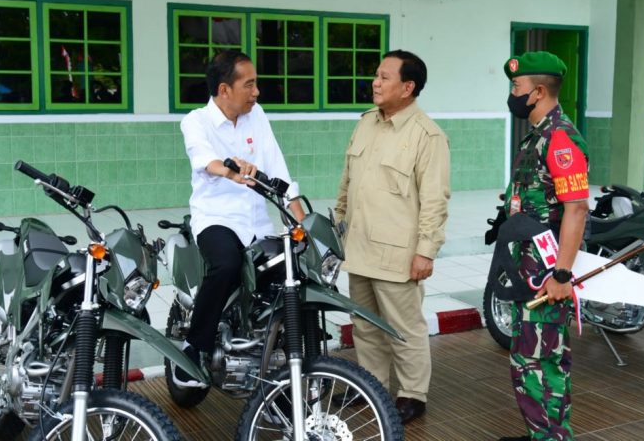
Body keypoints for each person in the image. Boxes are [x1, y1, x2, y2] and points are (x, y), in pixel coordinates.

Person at [174, 50, 304, 388]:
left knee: (291, 274)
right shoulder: (195, 120)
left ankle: (283, 361)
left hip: (257, 223)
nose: (256, 92)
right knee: (227, 266)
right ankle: (194, 347)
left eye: (256, 83)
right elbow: (203, 160)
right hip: (216, 217)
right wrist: (229, 170)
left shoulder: (256, 115)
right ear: (224, 89)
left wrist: (302, 222)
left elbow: (278, 171)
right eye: (249, 85)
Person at [333, 49, 450, 424]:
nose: (376, 82)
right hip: (360, 246)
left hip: (398, 253)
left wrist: (426, 252)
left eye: (385, 77)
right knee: (365, 327)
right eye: (376, 75)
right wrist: (337, 228)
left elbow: (435, 199)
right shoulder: (366, 122)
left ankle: (413, 394)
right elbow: (347, 184)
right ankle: (372, 387)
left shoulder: (427, 136)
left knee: (404, 329)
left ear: (408, 87)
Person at [499, 51, 590, 441]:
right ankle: (548, 435)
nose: (512, 93)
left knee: (532, 360)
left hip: (547, 273)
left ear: (537, 91)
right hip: (530, 268)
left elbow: (576, 209)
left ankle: (549, 437)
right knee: (544, 359)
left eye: (516, 87)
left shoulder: (560, 138)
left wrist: (562, 275)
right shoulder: (539, 134)